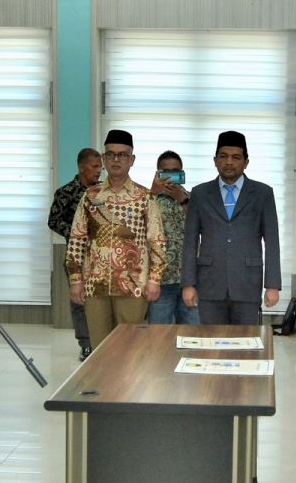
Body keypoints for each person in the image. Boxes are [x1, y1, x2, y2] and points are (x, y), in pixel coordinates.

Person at [66, 129, 166, 344]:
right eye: (110, 154)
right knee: (99, 349)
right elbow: (77, 238)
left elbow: (156, 241)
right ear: (103, 159)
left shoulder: (144, 197)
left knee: (129, 350)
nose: (116, 159)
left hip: (133, 286)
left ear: (132, 160)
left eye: (122, 155)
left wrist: (154, 280)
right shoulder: (91, 196)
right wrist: (76, 280)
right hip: (96, 285)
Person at [181, 130, 282, 326]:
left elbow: (272, 242)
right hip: (210, 284)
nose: (229, 162)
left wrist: (272, 285)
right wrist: (188, 284)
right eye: (223, 156)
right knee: (211, 345)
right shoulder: (200, 194)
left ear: (246, 162)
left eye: (236, 157)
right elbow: (190, 242)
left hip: (247, 283)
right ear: (215, 160)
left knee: (246, 347)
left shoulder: (263, 193)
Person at [48, 148, 101, 359]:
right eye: (95, 167)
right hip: (76, 256)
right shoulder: (66, 192)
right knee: (79, 301)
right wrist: (78, 233)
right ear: (82, 167)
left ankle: (102, 340)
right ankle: (86, 343)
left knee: (100, 300)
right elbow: (53, 221)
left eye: (101, 167)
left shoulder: (103, 192)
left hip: (101, 257)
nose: (99, 171)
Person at [147, 150, 199, 325]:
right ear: (158, 174)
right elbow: (138, 228)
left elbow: (204, 227)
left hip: (190, 280)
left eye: (175, 171)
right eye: (165, 172)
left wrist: (181, 198)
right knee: (158, 337)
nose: (170, 176)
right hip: (161, 281)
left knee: (193, 334)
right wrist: (153, 193)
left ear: (182, 173)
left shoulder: (193, 198)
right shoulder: (148, 199)